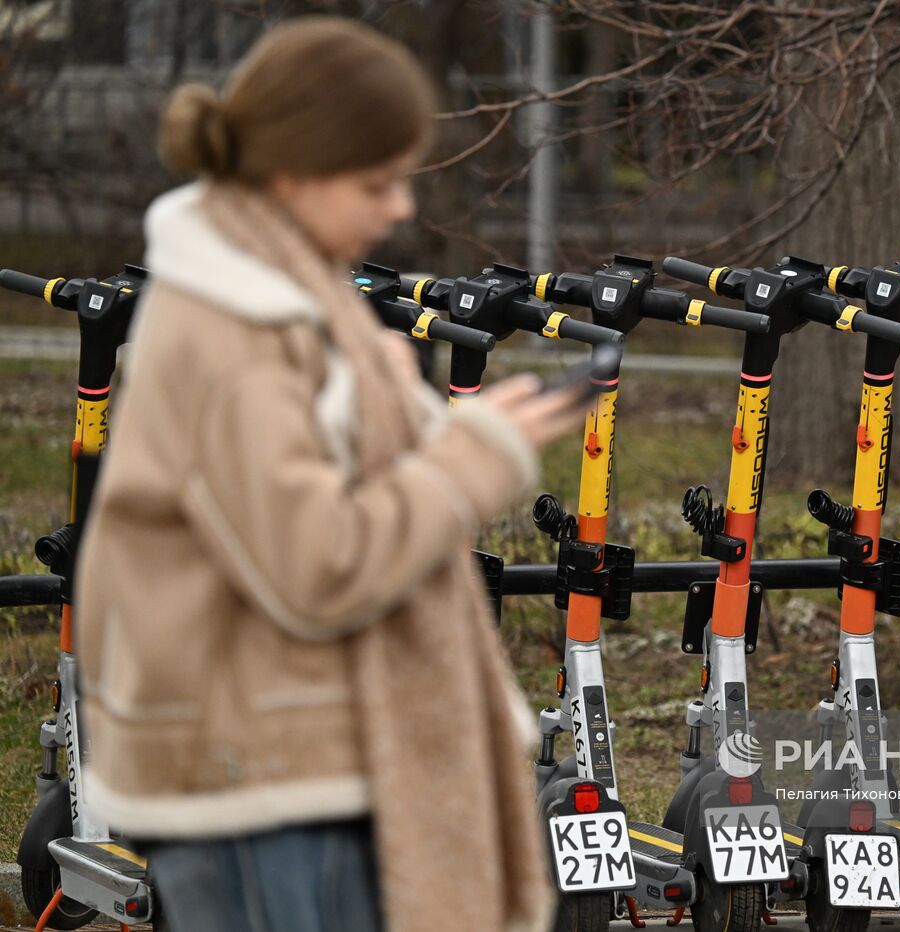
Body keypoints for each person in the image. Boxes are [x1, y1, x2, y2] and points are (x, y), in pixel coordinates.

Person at [72, 17, 576, 932]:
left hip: (285, 765)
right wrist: (467, 463)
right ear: (294, 173)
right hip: (269, 787)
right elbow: (319, 565)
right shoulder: (236, 330)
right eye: (376, 182)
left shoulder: (283, 295)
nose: (399, 211)